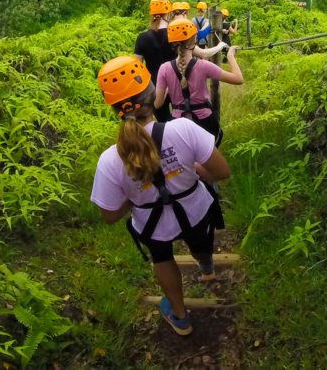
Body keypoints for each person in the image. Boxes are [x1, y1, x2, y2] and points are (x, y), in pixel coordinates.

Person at [91, 55, 230, 337]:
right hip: (195, 211)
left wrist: (136, 196)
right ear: (152, 92)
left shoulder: (109, 160)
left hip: (153, 226)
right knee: (200, 241)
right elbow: (221, 171)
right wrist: (192, 169)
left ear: (115, 108)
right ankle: (206, 266)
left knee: (162, 258)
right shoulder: (184, 129)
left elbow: (109, 215)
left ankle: (180, 317)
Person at [156, 20, 242, 143]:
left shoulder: (164, 68)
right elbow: (238, 79)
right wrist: (230, 56)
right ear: (194, 41)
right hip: (204, 122)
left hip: (177, 125)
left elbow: (157, 104)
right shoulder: (203, 66)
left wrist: (170, 87)